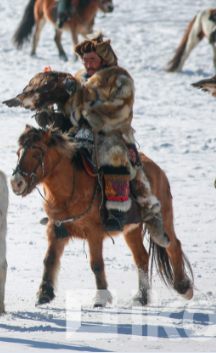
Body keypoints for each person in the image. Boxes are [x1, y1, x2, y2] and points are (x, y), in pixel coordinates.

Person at [68, 32, 170, 247]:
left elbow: (122, 108)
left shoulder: (121, 79)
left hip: (114, 133)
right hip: (82, 133)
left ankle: (122, 212)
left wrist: (93, 117)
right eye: (85, 60)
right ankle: (62, 210)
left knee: (114, 156)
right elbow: (72, 108)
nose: (87, 64)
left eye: (92, 59)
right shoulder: (79, 79)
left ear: (103, 59)